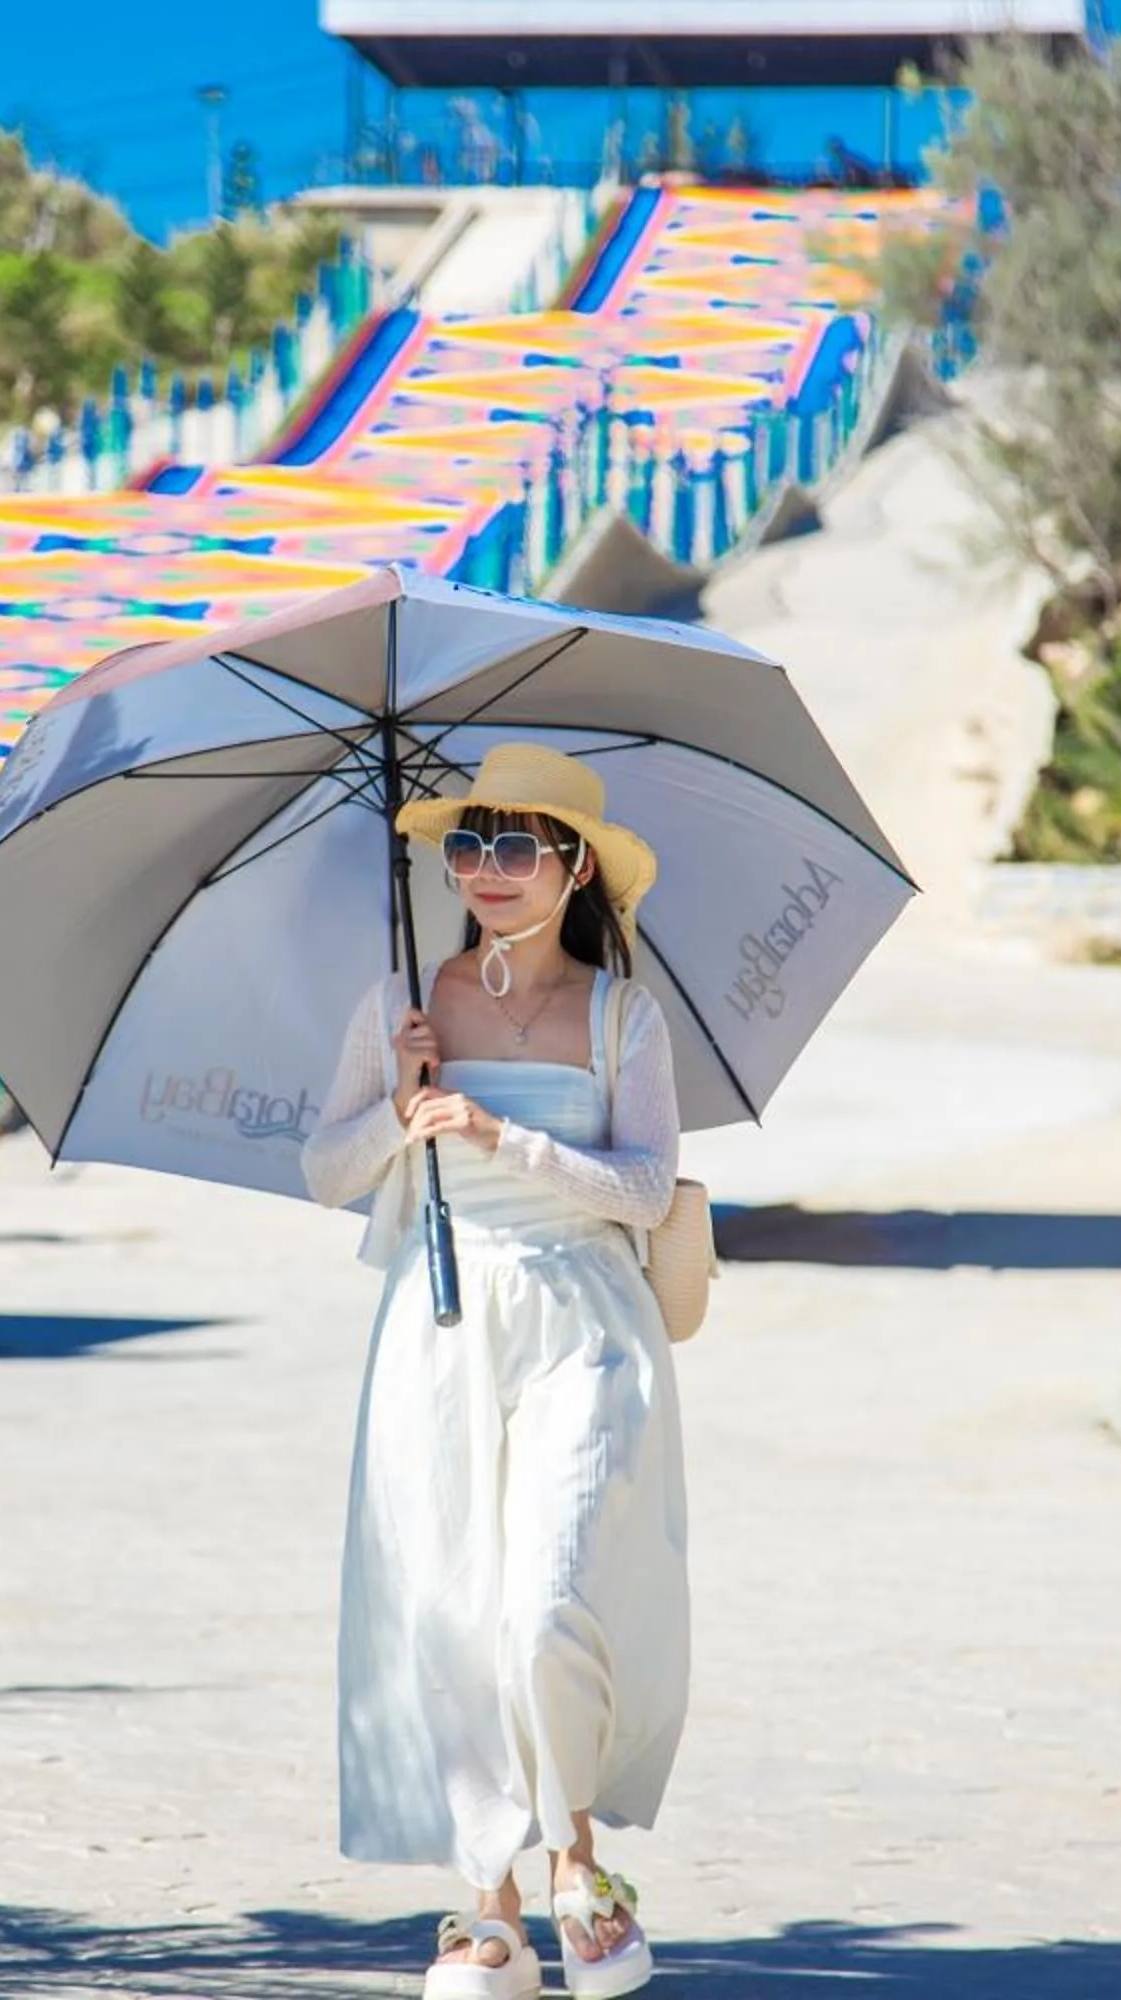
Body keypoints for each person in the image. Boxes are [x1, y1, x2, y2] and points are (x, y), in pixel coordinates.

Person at [302, 744, 686, 2000]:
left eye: (516, 847)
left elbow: (639, 1185)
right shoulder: (399, 1002)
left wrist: (498, 1131)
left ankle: (579, 1860)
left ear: (574, 864)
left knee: (545, 1602)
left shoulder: (628, 1013)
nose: (486, 872)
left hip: (586, 1318)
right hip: (439, 1324)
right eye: (466, 847)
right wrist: (400, 1098)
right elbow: (330, 1170)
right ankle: (492, 1909)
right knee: (454, 1607)